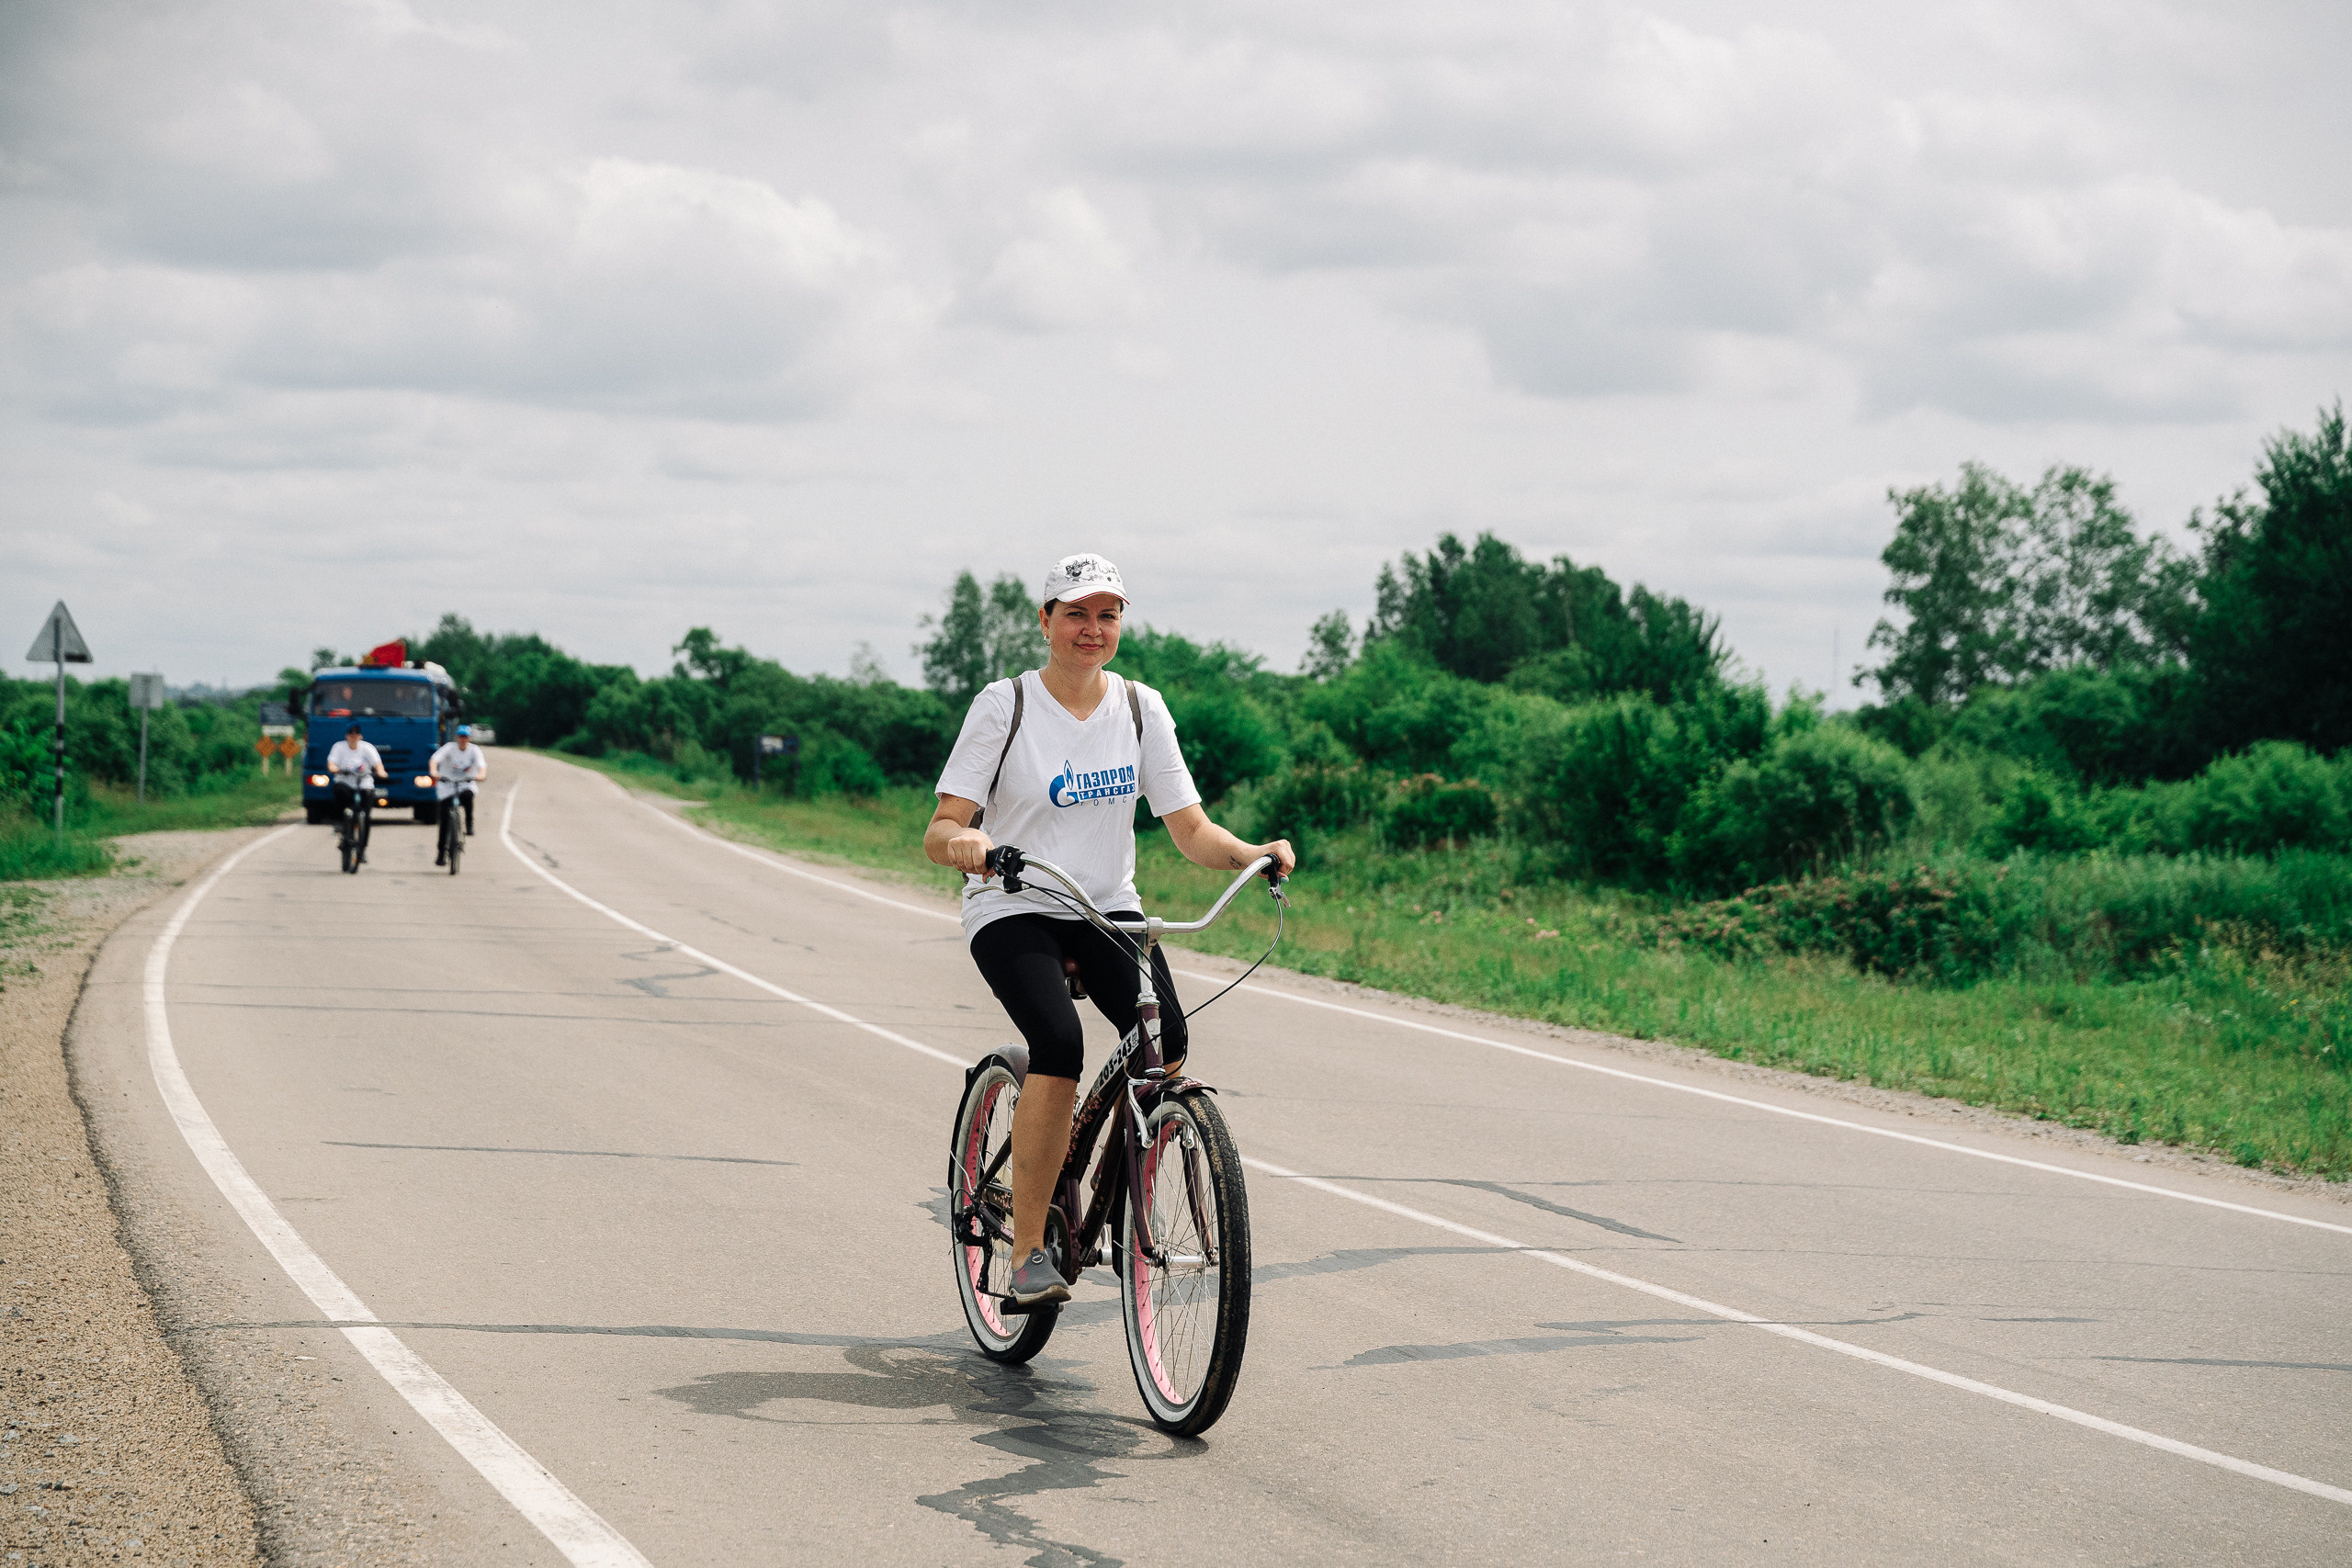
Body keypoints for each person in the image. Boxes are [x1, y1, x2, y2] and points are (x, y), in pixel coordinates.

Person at [926, 553, 1295, 1310]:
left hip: (1104, 904)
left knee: (1169, 1041)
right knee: (1058, 1043)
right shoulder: (1006, 706)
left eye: (1108, 614)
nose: (1093, 629)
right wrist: (968, 845)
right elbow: (941, 828)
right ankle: (1029, 1248)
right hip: (1016, 901)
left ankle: (1116, 1178)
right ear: (1046, 621)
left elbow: (1191, 830)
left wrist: (1251, 852)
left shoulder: (1139, 708)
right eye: (1076, 613)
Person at [428, 725, 489, 863]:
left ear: (469, 738)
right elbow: (434, 760)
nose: (463, 739)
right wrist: (434, 772)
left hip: (465, 783)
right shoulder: (449, 748)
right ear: (457, 737)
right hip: (447, 785)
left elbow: (482, 766)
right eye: (461, 736)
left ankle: (469, 823)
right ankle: (441, 853)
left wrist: (481, 775)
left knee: (468, 796)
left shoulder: (474, 750)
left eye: (465, 737)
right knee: (444, 821)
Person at [325, 724, 387, 856]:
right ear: (346, 736)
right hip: (345, 782)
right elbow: (331, 764)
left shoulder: (368, 748)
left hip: (364, 783)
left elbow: (378, 764)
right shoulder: (339, 747)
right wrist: (335, 769)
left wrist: (381, 772)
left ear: (360, 736)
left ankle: (362, 850)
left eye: (356, 734)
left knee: (366, 816)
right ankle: (340, 824)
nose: (353, 737)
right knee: (339, 791)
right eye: (350, 734)